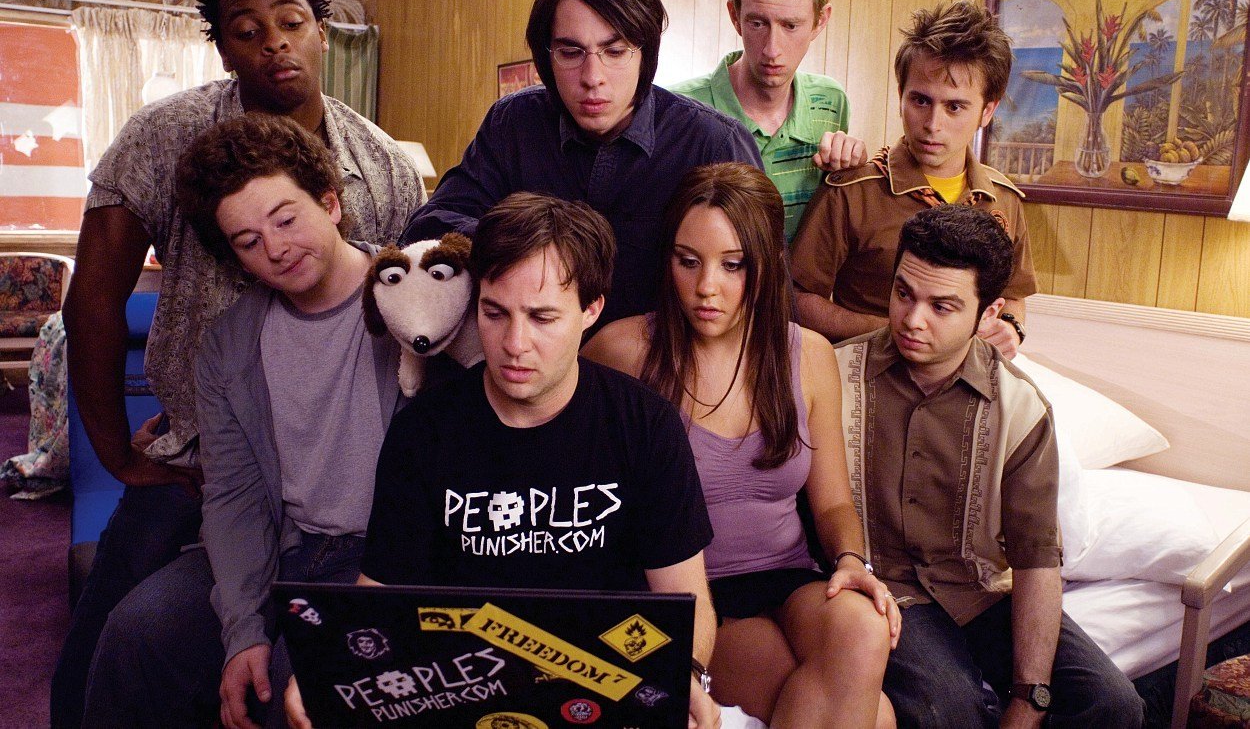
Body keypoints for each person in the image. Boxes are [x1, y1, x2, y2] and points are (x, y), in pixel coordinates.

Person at [53, 0, 423, 729]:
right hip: (200, 450)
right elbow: (93, 301)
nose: (274, 42)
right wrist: (118, 454)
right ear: (223, 48)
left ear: (322, 33)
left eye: (290, 23)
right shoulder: (162, 136)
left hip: (357, 498)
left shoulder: (384, 163)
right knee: (116, 635)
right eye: (247, 31)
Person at [288, 193, 721, 729]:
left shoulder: (645, 425)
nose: (515, 344)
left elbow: (685, 596)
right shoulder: (423, 433)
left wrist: (687, 674)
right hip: (465, 694)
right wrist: (333, 667)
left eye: (542, 317)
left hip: (606, 693)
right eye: (494, 313)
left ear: (591, 309)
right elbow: (381, 598)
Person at [82, 114, 406, 728]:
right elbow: (235, 496)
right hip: (285, 544)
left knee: (289, 687)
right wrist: (242, 629)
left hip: (382, 556)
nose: (275, 248)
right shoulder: (230, 343)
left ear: (330, 203)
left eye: (286, 219)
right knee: (136, 633)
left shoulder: (410, 304)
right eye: (248, 240)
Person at [585, 163, 897, 728]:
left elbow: (832, 504)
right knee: (875, 715)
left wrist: (852, 561)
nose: (707, 287)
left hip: (789, 574)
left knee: (865, 629)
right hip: (694, 590)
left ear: (767, 263)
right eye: (688, 261)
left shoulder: (809, 354)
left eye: (733, 265)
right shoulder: (621, 352)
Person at [834, 204, 1143, 728]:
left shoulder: (1020, 407)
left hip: (979, 591)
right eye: (904, 293)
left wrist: (1030, 697)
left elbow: (1036, 557)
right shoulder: (833, 375)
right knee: (951, 710)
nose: (912, 319)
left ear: (988, 314)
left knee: (1113, 706)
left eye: (942, 306)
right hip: (883, 591)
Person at [402, 0, 763, 329]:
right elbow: (428, 229)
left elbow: (767, 293)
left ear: (645, 51)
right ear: (547, 55)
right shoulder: (513, 124)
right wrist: (529, 244)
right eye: (571, 53)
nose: (593, 77)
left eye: (615, 51)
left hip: (656, 363)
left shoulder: (714, 143)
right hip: (522, 353)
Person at [790, 0, 1035, 357]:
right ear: (901, 96)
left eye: (954, 107)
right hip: (866, 372)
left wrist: (1011, 327)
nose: (933, 124)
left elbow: (1013, 294)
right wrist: (896, 332)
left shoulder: (1004, 199)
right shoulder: (852, 191)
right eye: (920, 101)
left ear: (987, 111)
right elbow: (796, 299)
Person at [672, 0, 867, 240]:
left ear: (820, 20)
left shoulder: (831, 104)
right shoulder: (678, 109)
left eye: (790, 25)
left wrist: (855, 173)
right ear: (735, 16)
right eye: (758, 23)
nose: (772, 50)